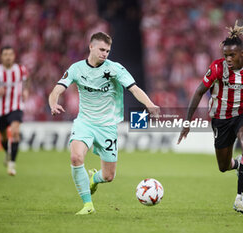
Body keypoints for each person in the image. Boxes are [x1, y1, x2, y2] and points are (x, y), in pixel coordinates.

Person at [48, 32, 160, 215]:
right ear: (91, 46)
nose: (105, 54)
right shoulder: (76, 69)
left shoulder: (114, 69)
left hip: (107, 126)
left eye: (107, 51)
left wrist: (150, 104)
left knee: (108, 176)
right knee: (76, 157)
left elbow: (134, 89)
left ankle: (94, 178)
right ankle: (87, 205)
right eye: (101, 49)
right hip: (84, 122)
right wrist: (53, 103)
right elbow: (56, 90)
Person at [177, 21, 243, 214]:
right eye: (225, 55)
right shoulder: (216, 68)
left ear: (242, 54)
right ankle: (239, 164)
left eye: (232, 55)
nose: (228, 59)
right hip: (221, 118)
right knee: (223, 166)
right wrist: (187, 121)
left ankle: (239, 198)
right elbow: (199, 92)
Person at [0, 46, 29, 176]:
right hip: (1, 109)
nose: (8, 56)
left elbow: (27, 80)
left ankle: (11, 164)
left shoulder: (20, 69)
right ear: (1, 57)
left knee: (15, 132)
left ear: (14, 56)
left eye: (10, 54)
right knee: (4, 137)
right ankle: (7, 153)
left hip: (16, 106)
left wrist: (26, 90)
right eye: (5, 54)